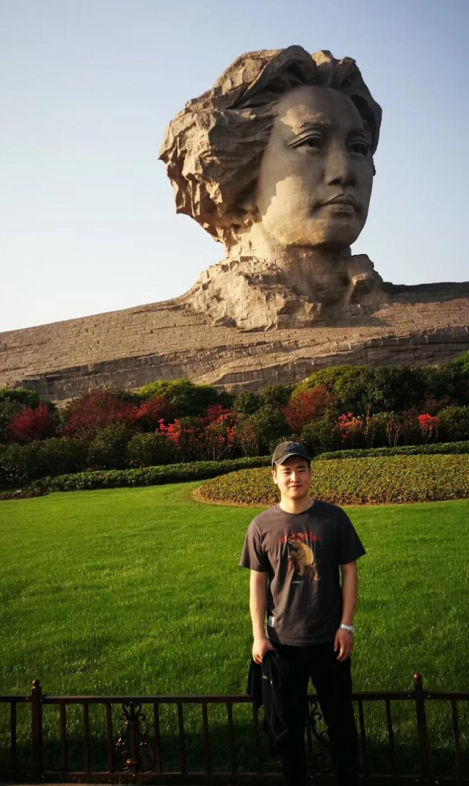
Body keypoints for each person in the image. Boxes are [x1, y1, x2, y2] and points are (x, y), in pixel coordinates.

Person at [240, 440, 366, 786]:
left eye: (301, 469)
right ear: (274, 476)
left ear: (310, 474)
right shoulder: (261, 526)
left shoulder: (334, 518)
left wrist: (346, 626)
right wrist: (259, 636)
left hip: (330, 640)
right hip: (283, 644)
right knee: (287, 729)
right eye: (287, 471)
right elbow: (257, 585)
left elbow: (350, 572)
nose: (294, 477)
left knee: (341, 722)